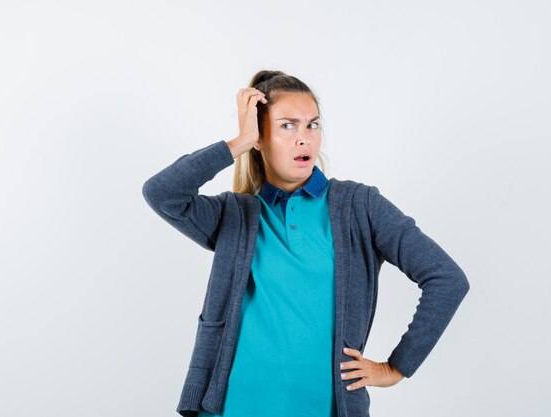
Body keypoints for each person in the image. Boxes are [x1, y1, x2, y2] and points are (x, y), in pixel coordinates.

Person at [142, 70, 470, 417]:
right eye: (288, 125)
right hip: (231, 406)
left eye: (312, 125)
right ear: (260, 137)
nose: (305, 139)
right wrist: (238, 142)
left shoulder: (359, 206)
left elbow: (446, 279)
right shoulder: (234, 214)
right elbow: (161, 193)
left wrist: (397, 367)